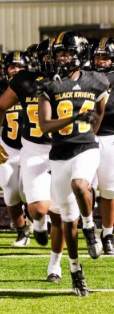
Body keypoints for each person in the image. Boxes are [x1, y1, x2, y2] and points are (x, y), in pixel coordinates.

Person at [37, 31, 109, 297]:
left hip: (86, 147)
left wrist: (88, 133)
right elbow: (45, 125)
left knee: (80, 184)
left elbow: (99, 112)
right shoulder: (49, 85)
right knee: (68, 220)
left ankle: (90, 226)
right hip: (59, 153)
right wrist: (74, 119)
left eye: (66, 53)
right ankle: (75, 270)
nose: (61, 58)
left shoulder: (97, 81)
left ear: (79, 54)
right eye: (59, 54)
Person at [0, 38, 65, 283]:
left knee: (60, 213)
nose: (49, 61)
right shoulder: (24, 80)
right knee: (38, 209)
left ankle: (55, 265)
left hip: (63, 148)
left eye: (52, 57)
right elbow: (0, 107)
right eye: (44, 57)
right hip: (33, 147)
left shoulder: (70, 80)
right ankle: (38, 224)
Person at [0, 52, 29, 246]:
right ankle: (22, 231)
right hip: (8, 147)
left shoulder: (35, 87)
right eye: (12, 67)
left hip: (31, 147)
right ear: (5, 69)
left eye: (20, 67)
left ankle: (37, 218)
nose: (16, 70)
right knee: (10, 192)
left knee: (28, 192)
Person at [92, 37, 114, 255]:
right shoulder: (86, 76)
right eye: (98, 56)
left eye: (105, 57)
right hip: (85, 137)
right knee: (84, 187)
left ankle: (108, 233)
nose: (100, 61)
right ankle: (89, 227)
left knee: (108, 190)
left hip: (109, 136)